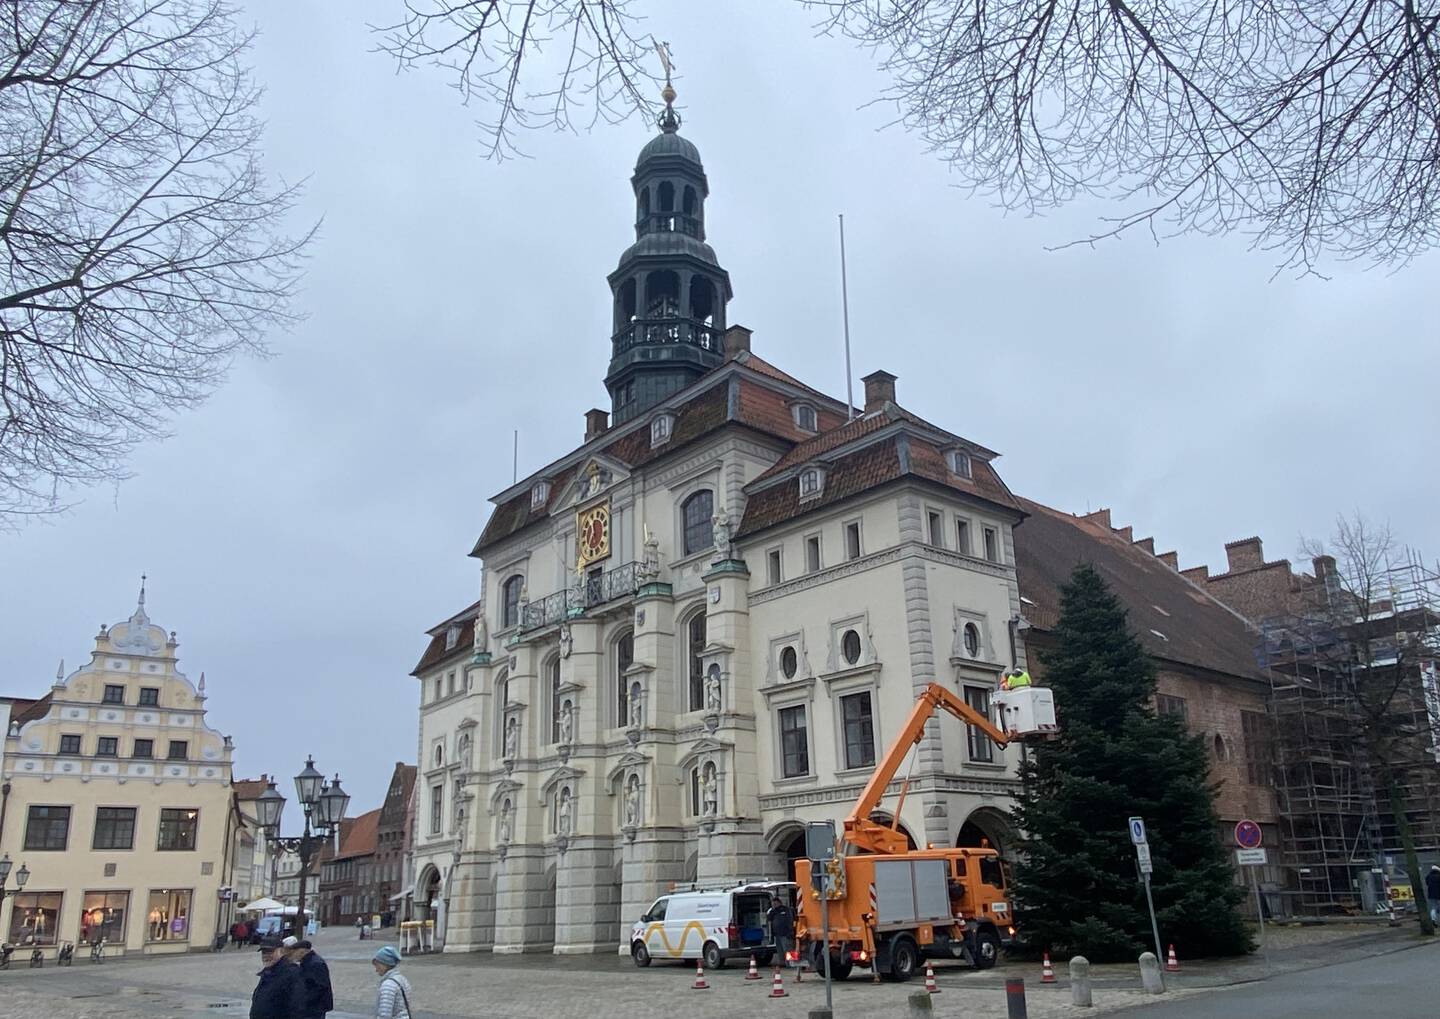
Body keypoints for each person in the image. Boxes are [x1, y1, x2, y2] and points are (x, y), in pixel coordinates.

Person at [250, 938, 303, 1019]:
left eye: (270, 952)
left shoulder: (291, 973)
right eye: (264, 952)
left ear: (281, 951)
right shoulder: (268, 972)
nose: (266, 955)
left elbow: (297, 1006)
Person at [289, 939, 333, 1019]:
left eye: (294, 952)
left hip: (315, 1006)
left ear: (302, 951)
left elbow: (319, 987)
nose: (293, 955)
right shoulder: (307, 961)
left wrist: (303, 1001)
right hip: (311, 1005)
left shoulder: (315, 963)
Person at [372, 945, 412, 1019]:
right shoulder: (402, 980)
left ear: (383, 964)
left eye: (377, 965)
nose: (376, 969)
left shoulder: (388, 985)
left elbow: (384, 1014)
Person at [766, 894, 796, 970]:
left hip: (786, 934)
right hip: (777, 935)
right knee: (780, 950)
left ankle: (793, 963)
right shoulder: (773, 911)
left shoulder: (786, 910)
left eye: (775, 903)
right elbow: (769, 918)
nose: (774, 905)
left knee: (789, 949)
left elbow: (790, 920)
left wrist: (791, 931)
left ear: (779, 903)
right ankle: (784, 963)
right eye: (773, 904)